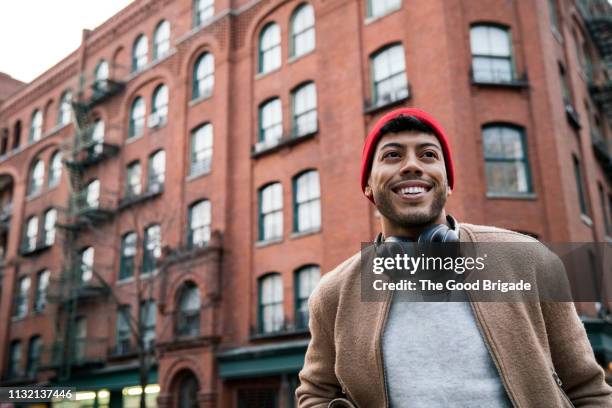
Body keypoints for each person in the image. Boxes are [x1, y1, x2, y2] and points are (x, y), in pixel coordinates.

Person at [295, 108, 612, 407]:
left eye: (428, 155)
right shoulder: (333, 294)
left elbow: (588, 388)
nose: (412, 165)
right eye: (392, 155)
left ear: (448, 183)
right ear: (367, 186)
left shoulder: (529, 259)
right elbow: (314, 393)